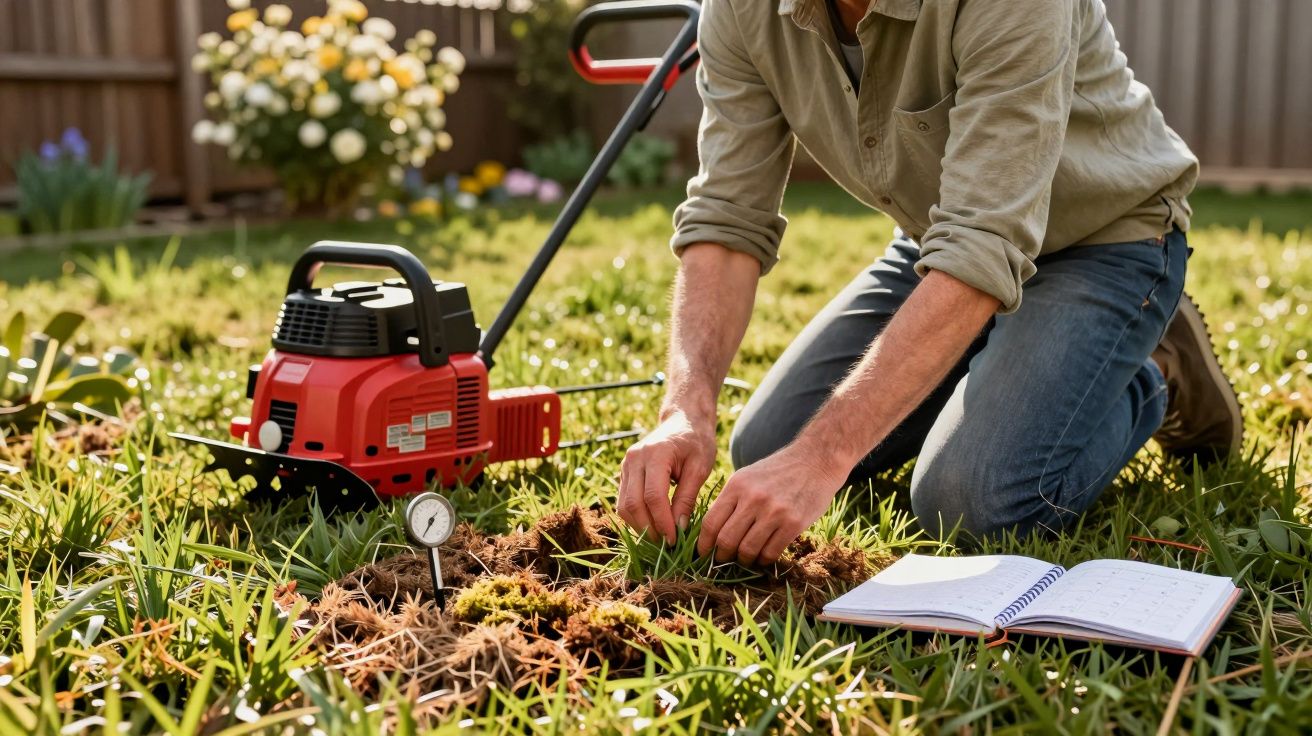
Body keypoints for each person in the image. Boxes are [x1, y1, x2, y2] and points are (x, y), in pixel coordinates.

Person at [616, 0, 1244, 564]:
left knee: (969, 504)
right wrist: (685, 408)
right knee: (766, 448)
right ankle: (992, 355)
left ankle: (1150, 369)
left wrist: (822, 458)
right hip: (941, 246)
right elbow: (727, 219)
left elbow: (984, 239)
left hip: (1103, 239)